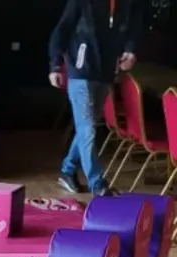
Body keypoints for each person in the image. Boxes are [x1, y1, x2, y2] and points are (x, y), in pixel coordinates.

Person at [49, 0, 144, 196]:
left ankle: (68, 170)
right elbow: (61, 31)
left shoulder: (127, 4)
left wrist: (130, 51)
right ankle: (97, 182)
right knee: (88, 128)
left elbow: (134, 29)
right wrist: (55, 66)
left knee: (87, 127)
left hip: (106, 73)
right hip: (80, 72)